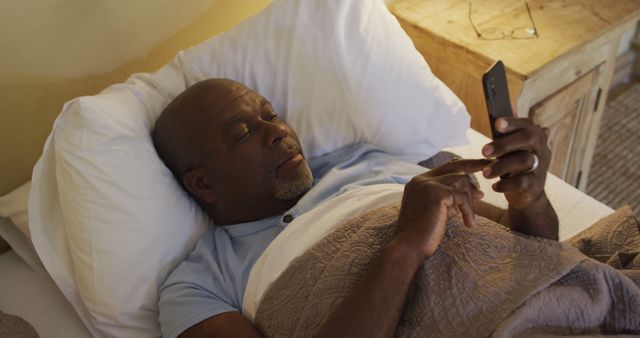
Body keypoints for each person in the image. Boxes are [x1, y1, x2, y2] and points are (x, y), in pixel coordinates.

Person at [153, 78, 557, 338]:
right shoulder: (198, 285)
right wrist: (405, 245)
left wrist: (531, 200)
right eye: (243, 133)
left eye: (271, 115)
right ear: (202, 183)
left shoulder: (366, 161)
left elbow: (535, 257)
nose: (278, 132)